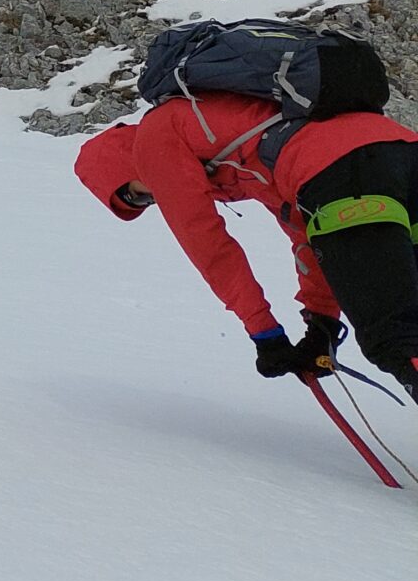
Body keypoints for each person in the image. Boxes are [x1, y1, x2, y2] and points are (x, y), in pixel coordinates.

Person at [74, 86, 418, 401]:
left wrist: (264, 332)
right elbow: (306, 232)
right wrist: (322, 323)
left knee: (395, 336)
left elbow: (209, 245)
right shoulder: (232, 138)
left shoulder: (156, 139)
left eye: (136, 195)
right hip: (403, 152)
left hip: (345, 172)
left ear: (122, 160)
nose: (152, 200)